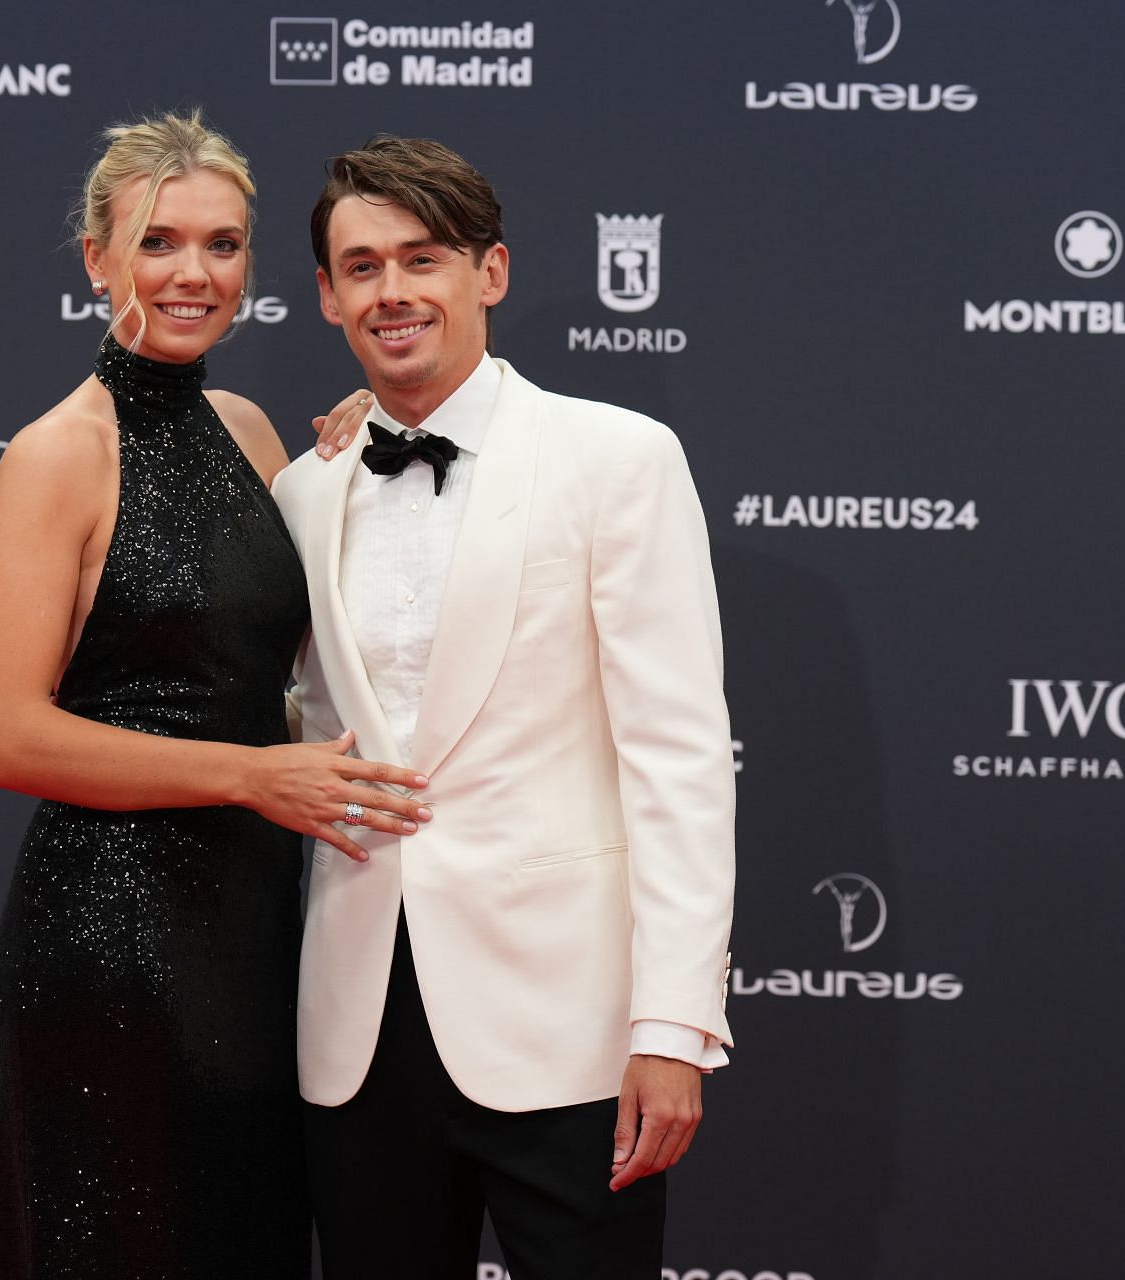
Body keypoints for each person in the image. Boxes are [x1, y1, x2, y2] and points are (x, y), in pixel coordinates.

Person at [0, 111, 428, 1280]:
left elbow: (278, 651)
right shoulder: (58, 453)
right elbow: (2, 734)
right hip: (112, 937)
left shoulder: (252, 430)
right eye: (159, 242)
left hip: (258, 926)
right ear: (96, 258)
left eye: (222, 246)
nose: (193, 273)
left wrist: (351, 452)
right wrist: (253, 774)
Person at [272, 135, 736, 1279]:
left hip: (569, 1033)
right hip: (357, 1032)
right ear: (327, 295)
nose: (394, 292)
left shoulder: (618, 457)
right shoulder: (304, 486)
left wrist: (672, 1027)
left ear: (491, 272)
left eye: (422, 259)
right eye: (363, 266)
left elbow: (677, 757)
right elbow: (298, 729)